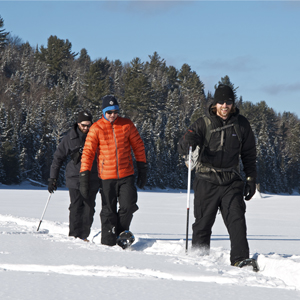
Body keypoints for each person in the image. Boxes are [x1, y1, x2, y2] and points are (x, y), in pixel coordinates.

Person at [178, 84, 257, 266]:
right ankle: (199, 260)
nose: (225, 106)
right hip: (206, 180)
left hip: (231, 181)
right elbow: (183, 146)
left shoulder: (241, 124)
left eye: (228, 102)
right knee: (203, 224)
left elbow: (249, 154)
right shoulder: (203, 123)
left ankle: (240, 259)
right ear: (215, 104)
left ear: (233, 104)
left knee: (237, 219)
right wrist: (187, 142)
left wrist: (251, 179)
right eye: (221, 102)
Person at [79, 95, 147, 247]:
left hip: (126, 174)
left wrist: (142, 167)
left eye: (115, 112)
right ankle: (108, 240)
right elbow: (88, 153)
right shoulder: (96, 128)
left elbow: (138, 146)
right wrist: (84, 176)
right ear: (103, 112)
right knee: (108, 210)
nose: (112, 115)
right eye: (109, 112)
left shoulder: (127, 125)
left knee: (128, 206)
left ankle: (122, 234)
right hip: (106, 177)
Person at [48, 111, 100, 241]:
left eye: (89, 125)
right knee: (76, 206)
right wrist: (52, 178)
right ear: (78, 124)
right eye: (84, 125)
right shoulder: (69, 138)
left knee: (89, 208)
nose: (86, 128)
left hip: (92, 177)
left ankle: (84, 236)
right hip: (75, 177)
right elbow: (58, 158)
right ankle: (74, 236)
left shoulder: (96, 136)